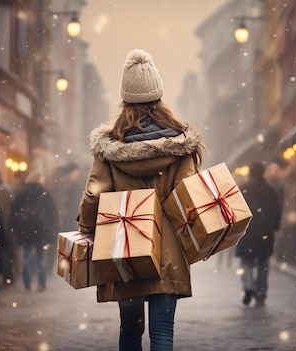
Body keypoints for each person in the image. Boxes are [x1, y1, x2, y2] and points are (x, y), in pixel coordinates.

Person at [77, 49, 205, 351]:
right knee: (162, 334)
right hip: (167, 251)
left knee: (130, 331)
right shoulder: (180, 142)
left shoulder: (109, 145)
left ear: (125, 98)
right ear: (158, 95)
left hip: (126, 246)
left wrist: (85, 226)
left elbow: (95, 193)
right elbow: (188, 194)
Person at [235, 162, 282, 306]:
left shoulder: (243, 189)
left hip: (246, 231)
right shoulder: (270, 190)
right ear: (262, 173)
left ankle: (248, 286)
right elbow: (276, 212)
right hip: (265, 232)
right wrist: (274, 227)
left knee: (246, 261)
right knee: (263, 263)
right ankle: (260, 292)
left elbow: (236, 209)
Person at [9, 171, 58, 292]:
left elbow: (14, 212)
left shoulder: (22, 193)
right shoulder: (44, 193)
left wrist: (13, 228)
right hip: (41, 228)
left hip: (25, 227)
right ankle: (41, 283)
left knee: (27, 256)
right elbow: (52, 212)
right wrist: (53, 227)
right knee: (41, 256)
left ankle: (27, 284)